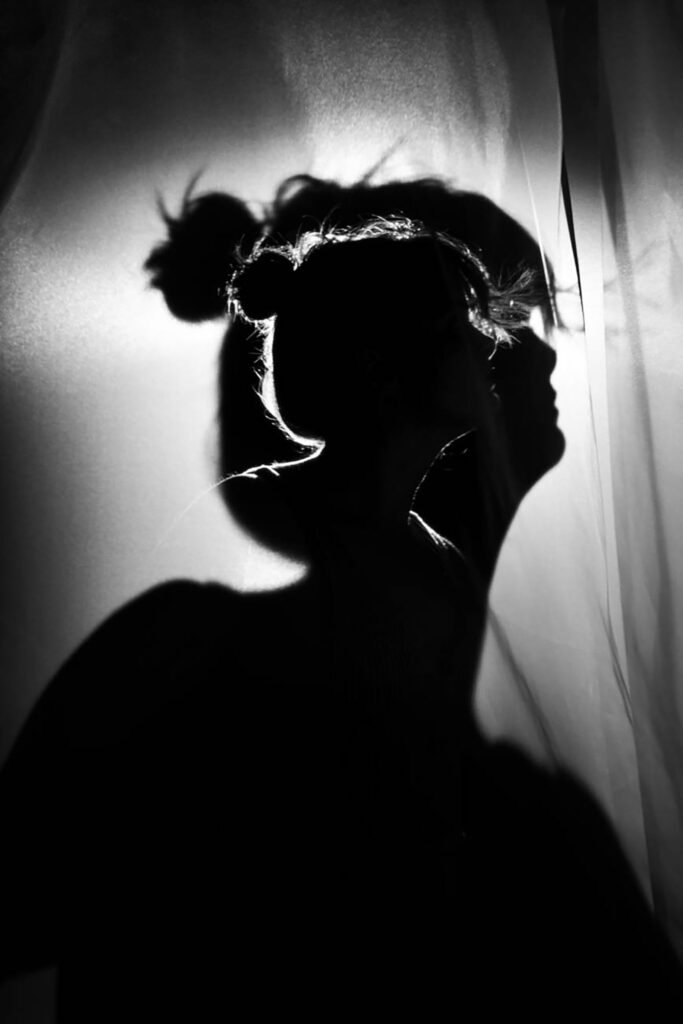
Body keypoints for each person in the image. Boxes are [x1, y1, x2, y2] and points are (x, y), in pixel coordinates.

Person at [1, 176, 681, 1021]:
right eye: (464, 328)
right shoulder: (260, 549)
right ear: (381, 366)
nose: (496, 350)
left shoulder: (430, 561)